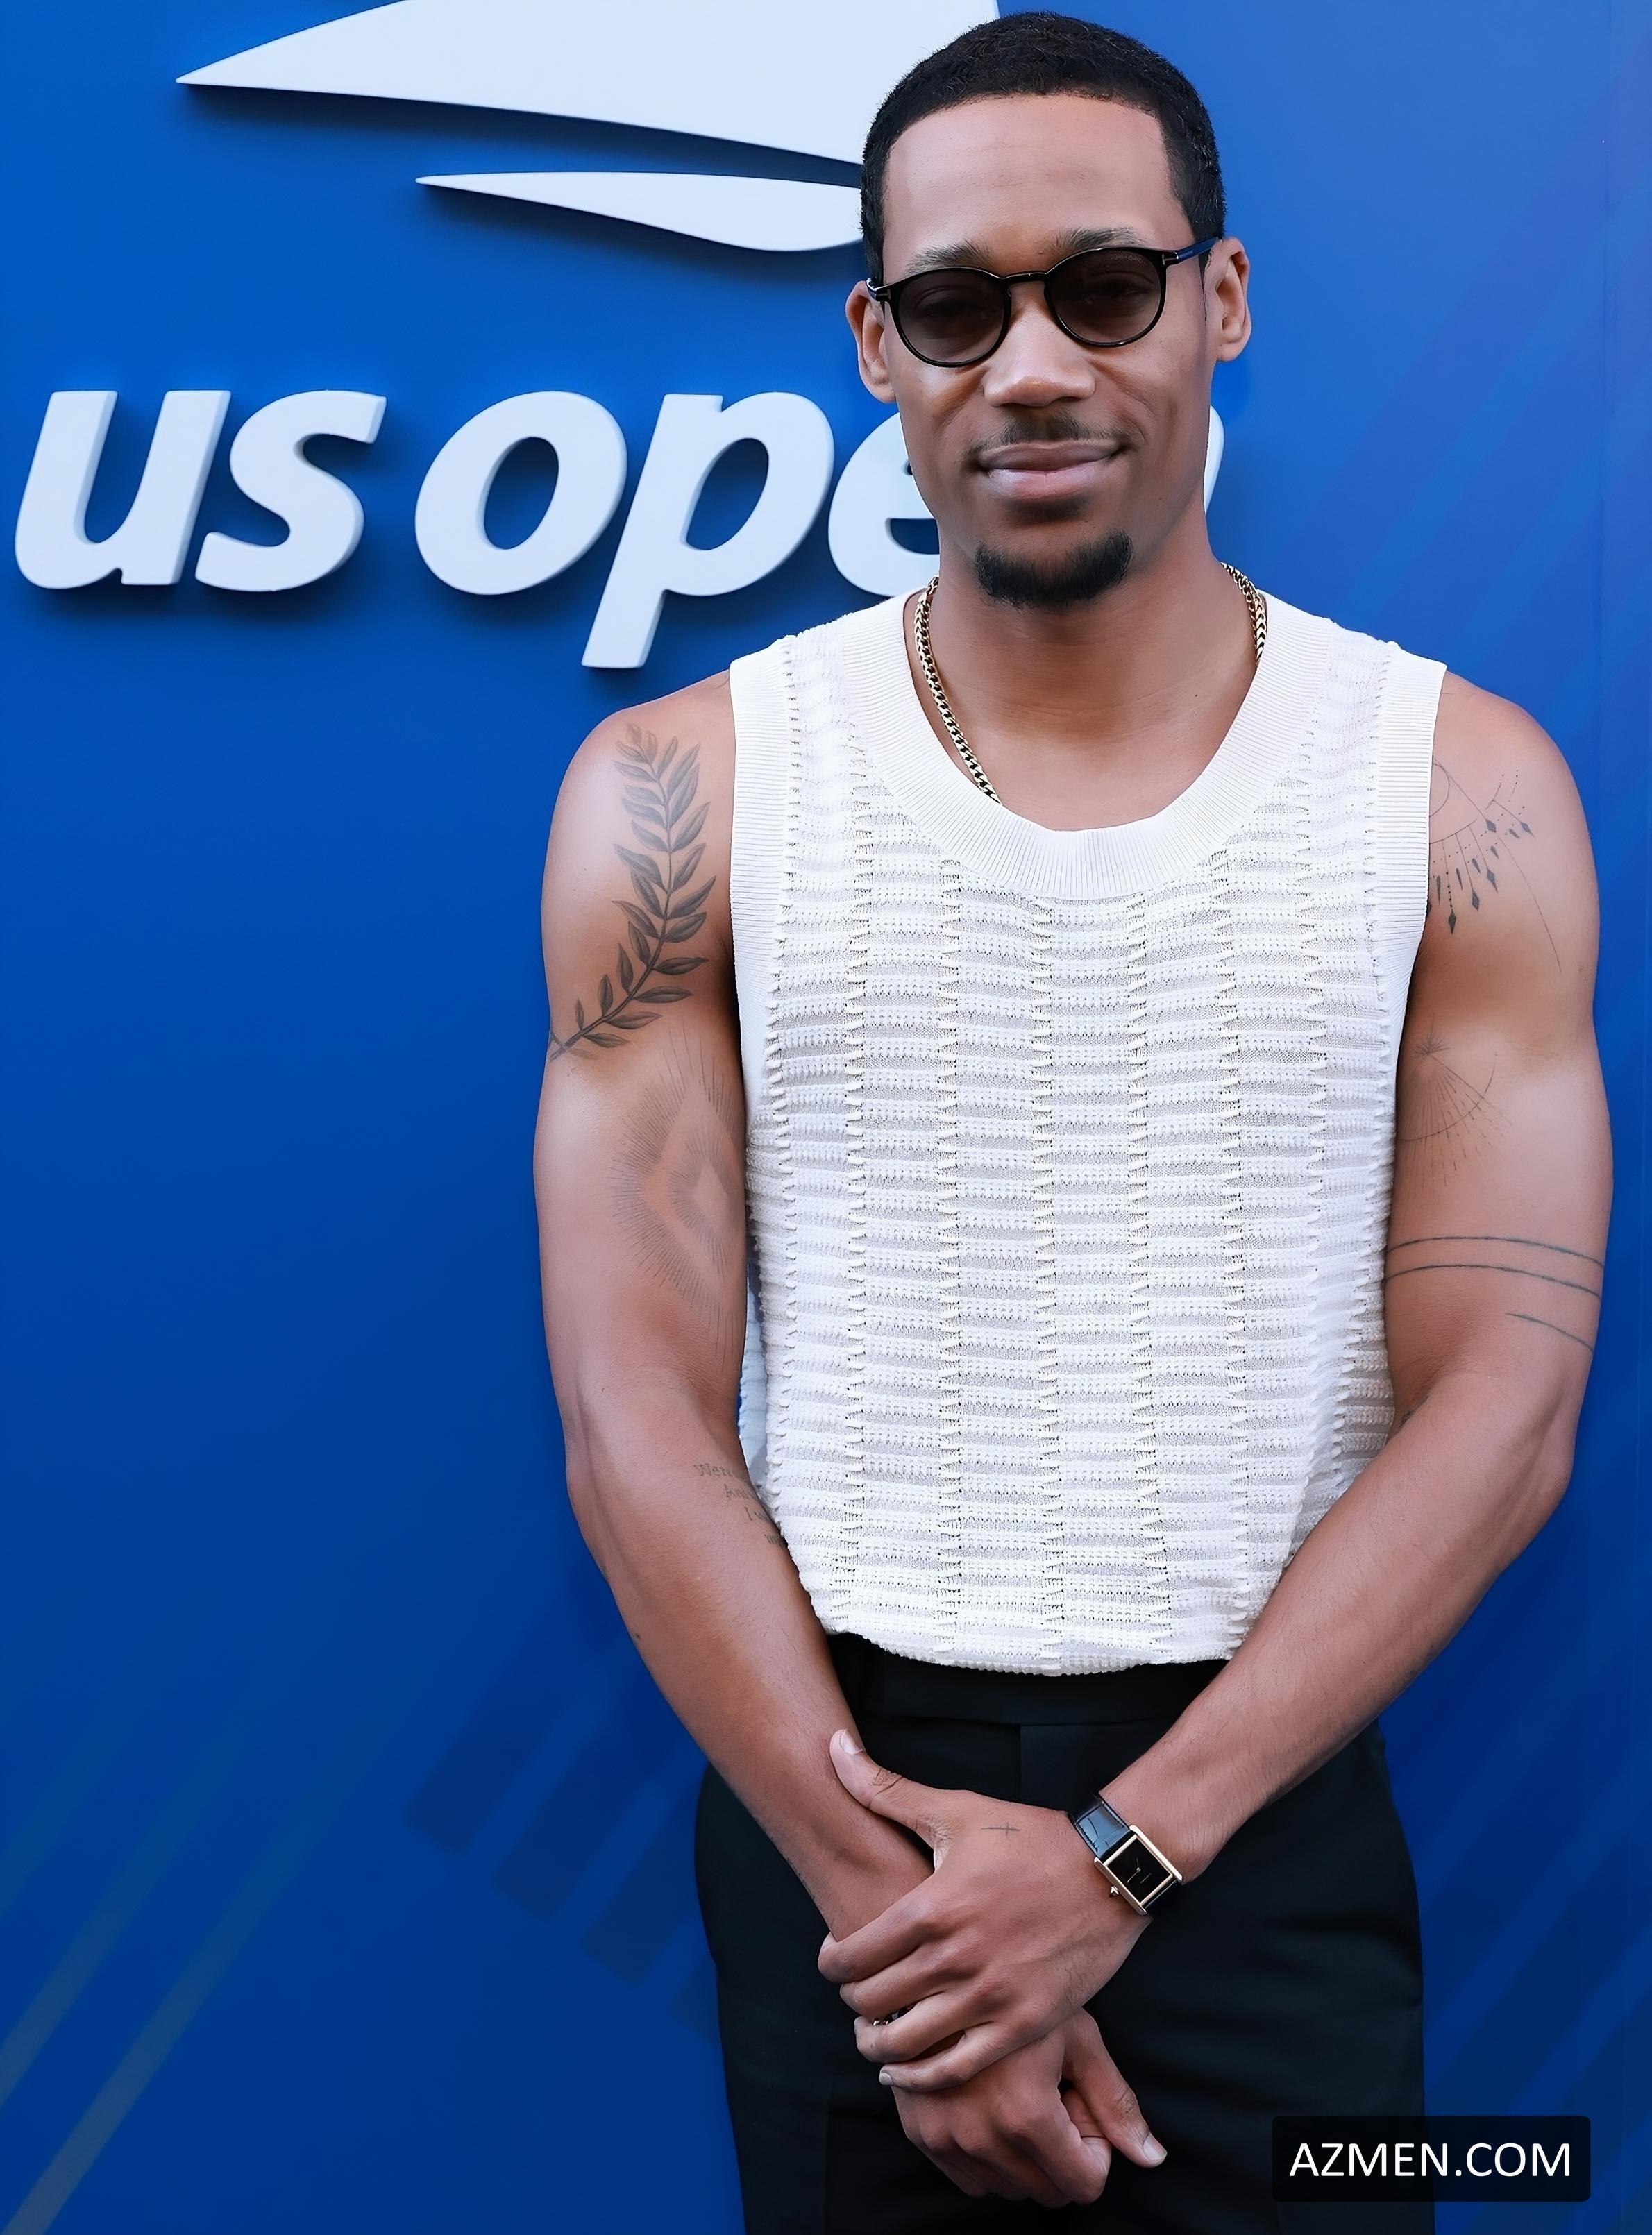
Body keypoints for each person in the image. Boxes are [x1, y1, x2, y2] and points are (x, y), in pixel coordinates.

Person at [532, 13, 1610, 2229]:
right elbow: (631, 1413)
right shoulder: (678, 794)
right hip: (846, 1838)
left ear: (1220, 299)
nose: (1031, 365)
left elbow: (1503, 1405)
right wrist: (914, 1923)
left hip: (1264, 1819)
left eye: (1104, 289)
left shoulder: (1457, 785)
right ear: (874, 344)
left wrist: (1119, 1858)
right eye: (956, 306)